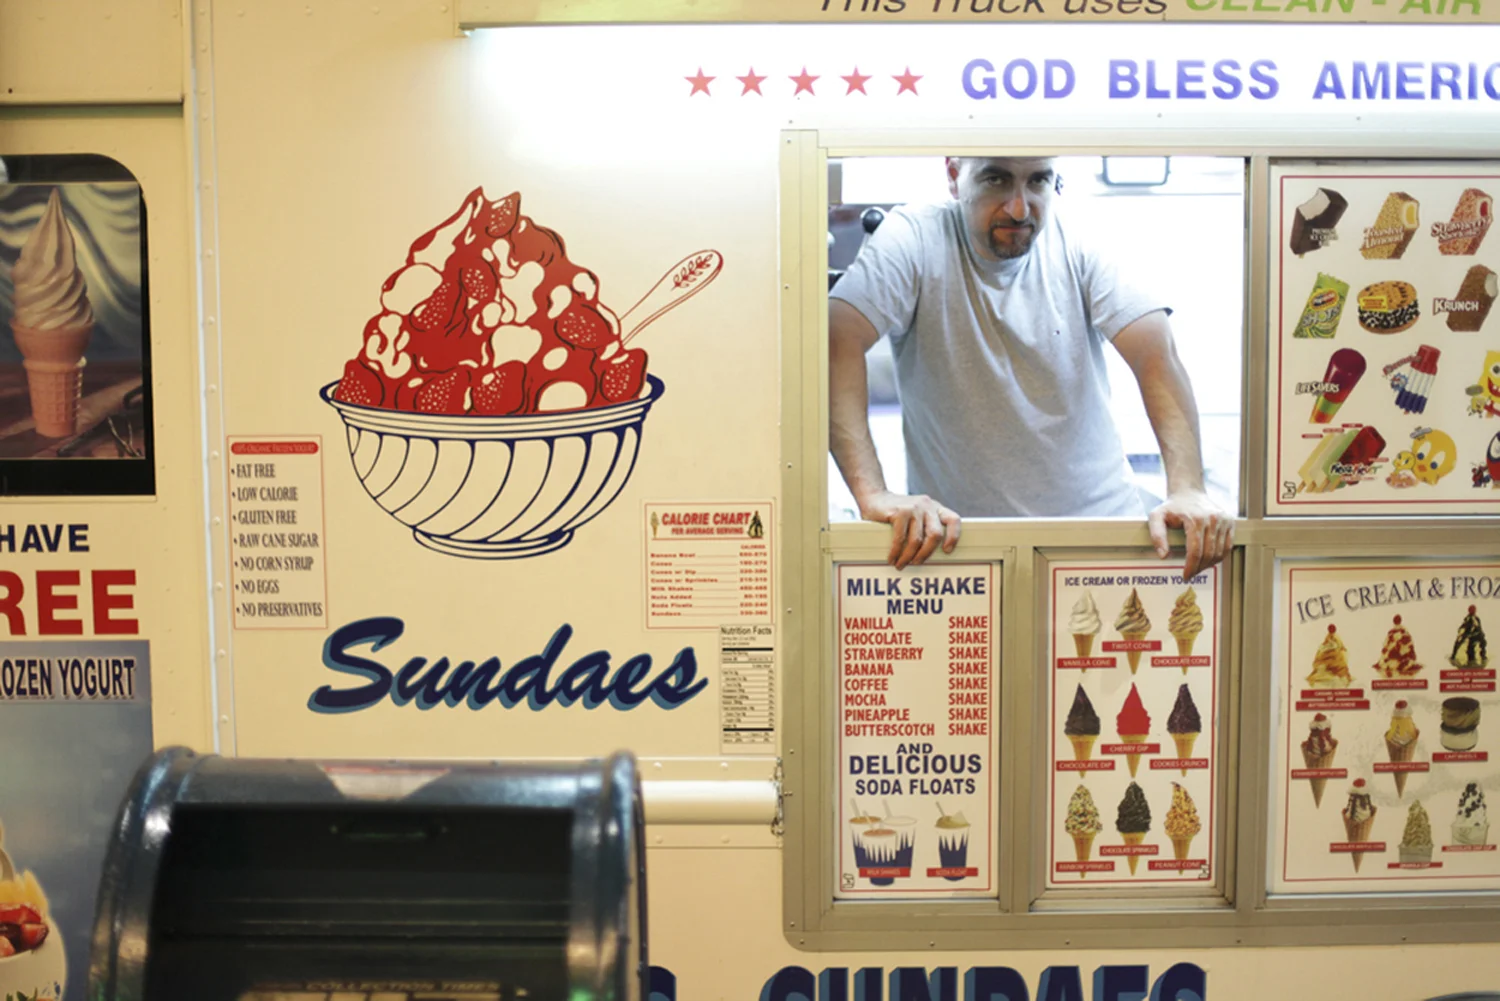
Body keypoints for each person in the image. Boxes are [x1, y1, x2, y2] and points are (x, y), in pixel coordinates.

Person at [829, 156, 1233, 576]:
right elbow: (837, 337)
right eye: (996, 179)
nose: (1020, 209)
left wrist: (1187, 488)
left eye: (1038, 181)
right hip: (960, 549)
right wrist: (872, 494)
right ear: (953, 175)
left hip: (1099, 536)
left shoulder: (1078, 235)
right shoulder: (914, 236)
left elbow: (1155, 354)